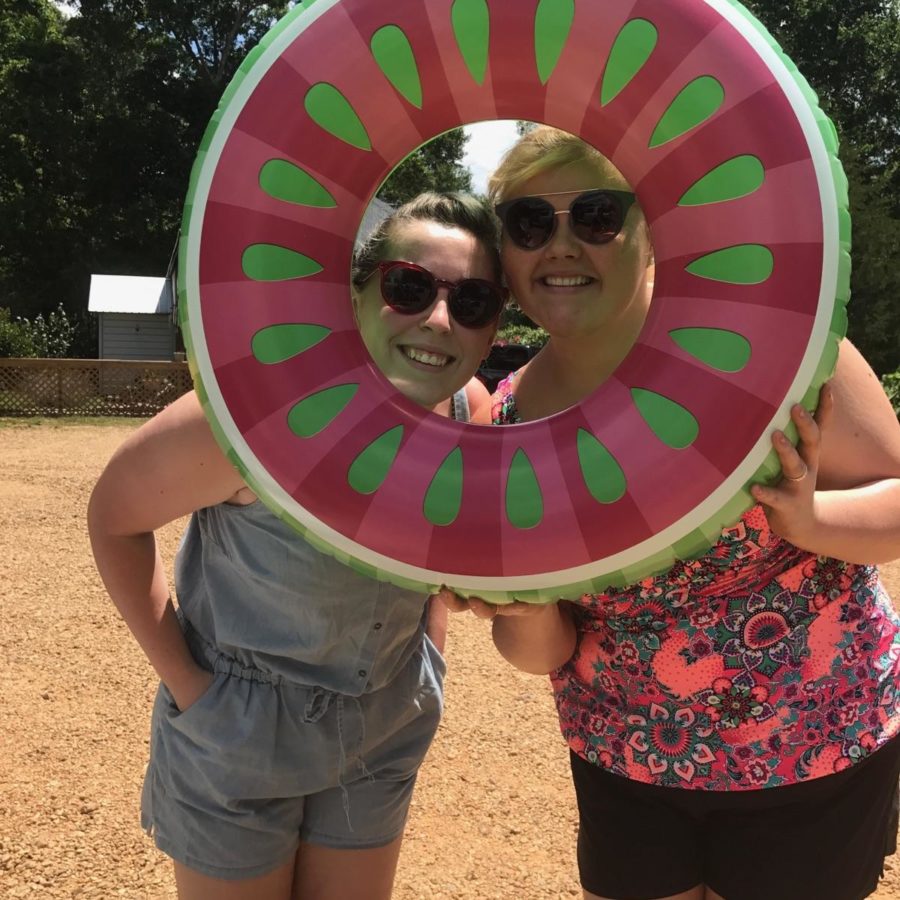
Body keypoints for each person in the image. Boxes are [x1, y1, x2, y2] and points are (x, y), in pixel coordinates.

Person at [443, 126, 900, 900]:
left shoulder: (775, 341)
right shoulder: (509, 427)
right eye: (530, 222)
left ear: (652, 231)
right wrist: (523, 606)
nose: (561, 245)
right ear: (507, 256)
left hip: (813, 746)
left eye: (597, 216)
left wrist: (809, 521)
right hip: (626, 760)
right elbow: (544, 650)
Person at [87, 192, 505, 900]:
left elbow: (443, 559)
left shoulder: (472, 415)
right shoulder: (256, 413)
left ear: (493, 327)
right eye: (408, 287)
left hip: (385, 723)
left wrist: (429, 652)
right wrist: (192, 687)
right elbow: (113, 518)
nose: (439, 320)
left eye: (471, 301)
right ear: (357, 296)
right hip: (239, 733)